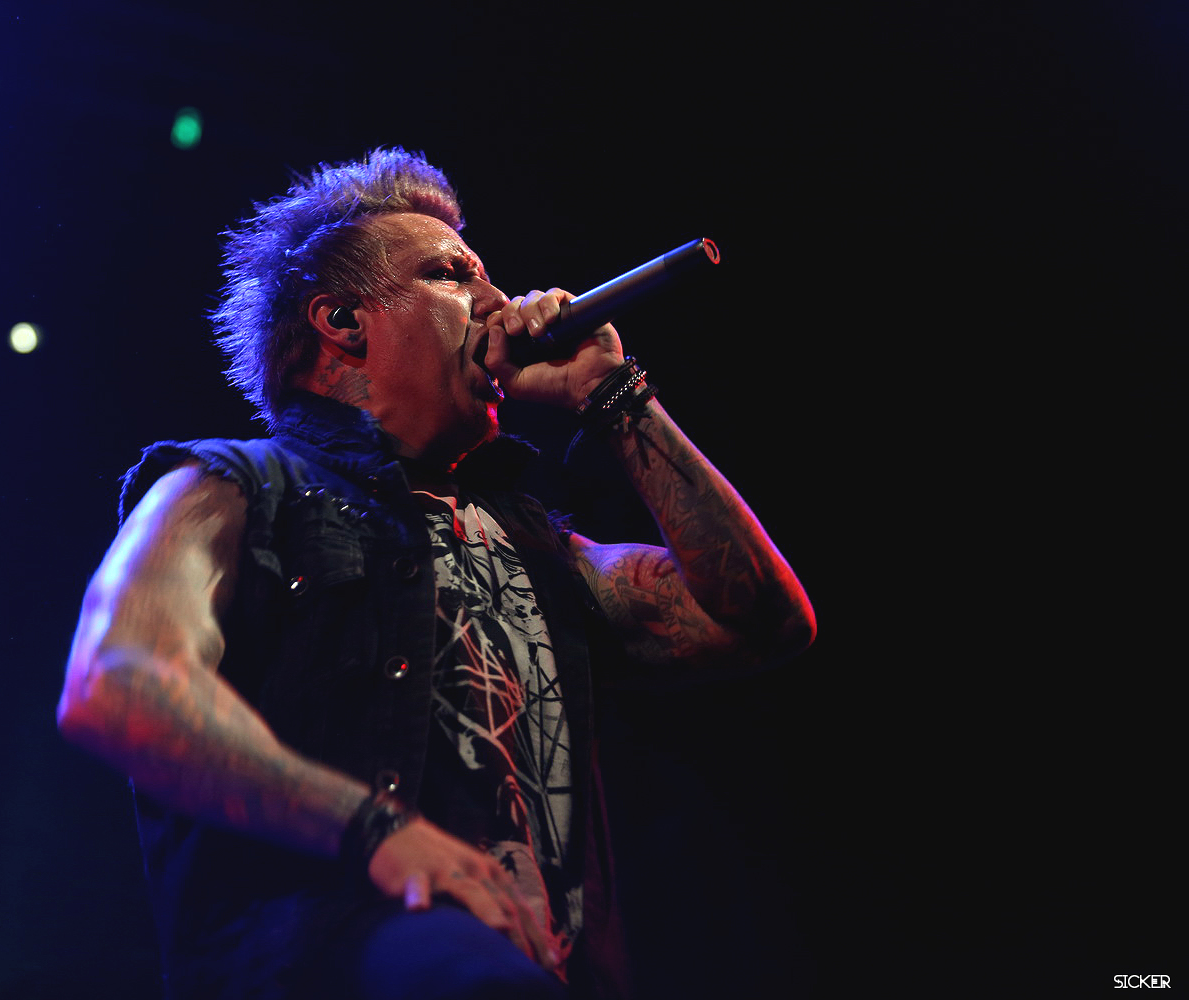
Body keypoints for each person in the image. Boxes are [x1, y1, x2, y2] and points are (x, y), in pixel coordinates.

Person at [57, 148, 815, 999]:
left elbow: (763, 622)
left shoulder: (536, 544)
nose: (498, 303)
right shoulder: (231, 486)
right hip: (331, 961)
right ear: (343, 321)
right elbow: (115, 681)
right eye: (454, 275)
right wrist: (376, 832)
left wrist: (615, 398)